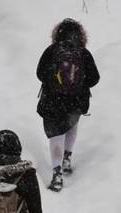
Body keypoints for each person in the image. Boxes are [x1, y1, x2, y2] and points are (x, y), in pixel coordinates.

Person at [36, 18, 100, 192]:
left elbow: (40, 73)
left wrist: (54, 81)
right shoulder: (83, 53)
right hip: (75, 102)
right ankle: (67, 158)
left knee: (56, 135)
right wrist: (79, 83)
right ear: (80, 35)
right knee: (71, 125)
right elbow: (95, 78)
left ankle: (57, 174)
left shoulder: (52, 51)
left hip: (52, 102)